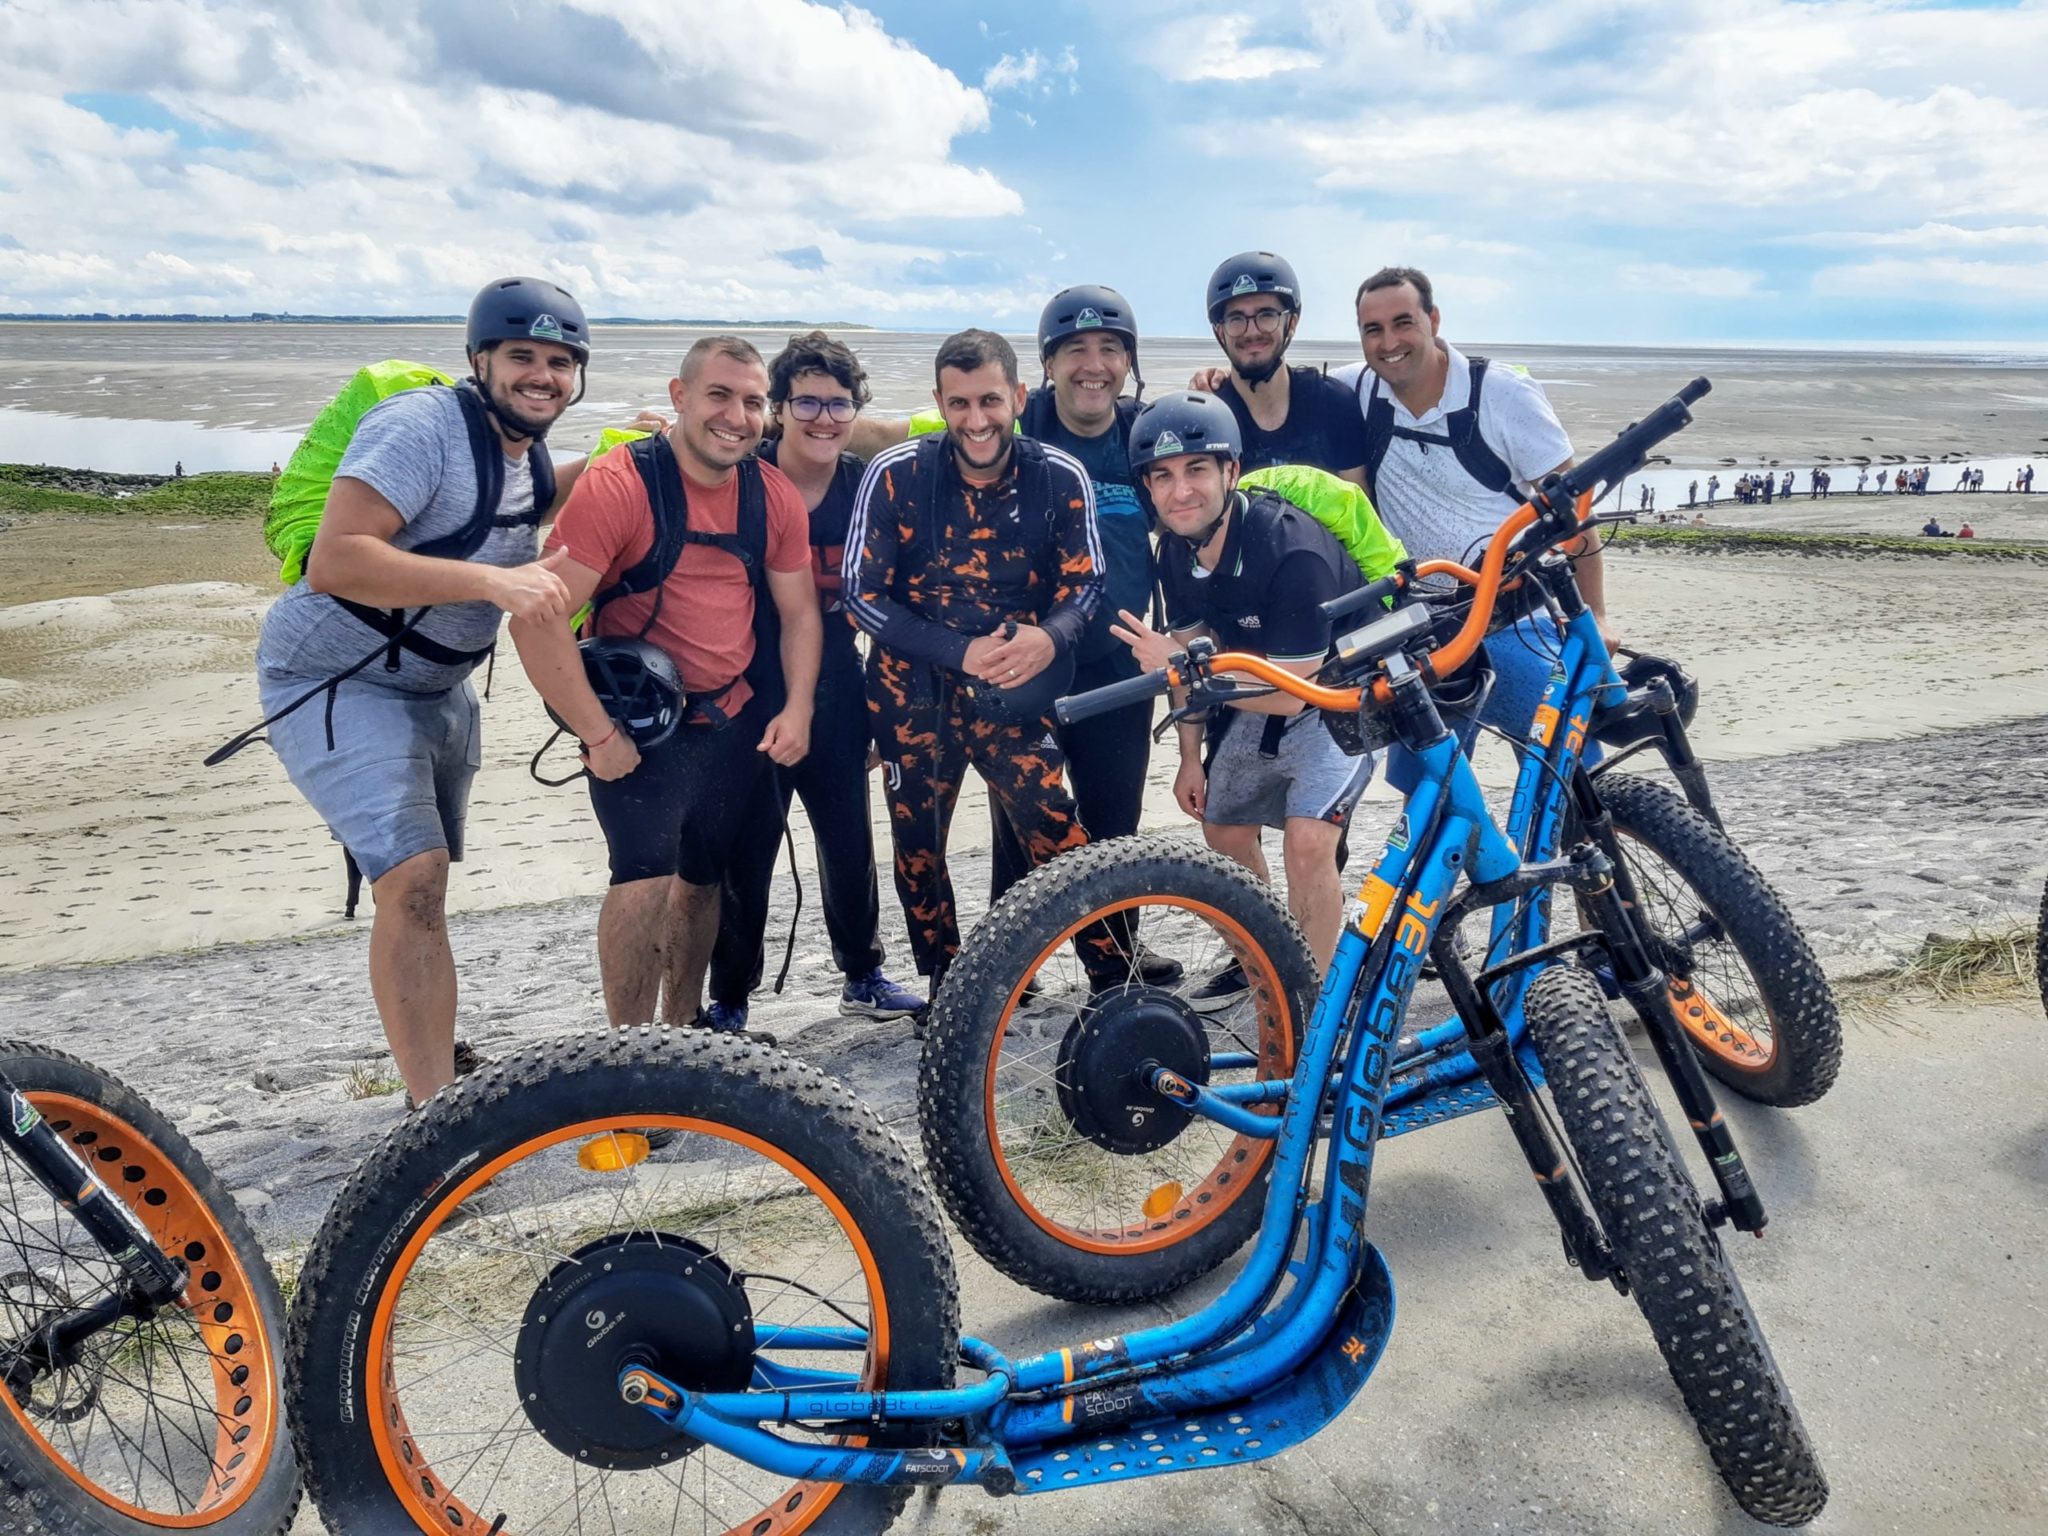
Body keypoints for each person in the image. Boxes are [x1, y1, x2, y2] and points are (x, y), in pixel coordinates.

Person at [254, 275, 594, 1105]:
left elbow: (517, 503)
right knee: (414, 876)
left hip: (439, 689)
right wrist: (491, 585)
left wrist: (631, 459)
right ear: (480, 359)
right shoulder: (421, 427)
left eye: (560, 361)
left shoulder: (522, 446)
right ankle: (429, 1114)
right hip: (337, 677)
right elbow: (337, 558)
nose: (541, 375)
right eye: (522, 356)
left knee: (427, 882)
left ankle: (431, 1056)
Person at [513, 335, 822, 1032]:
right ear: (680, 398)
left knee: (702, 880)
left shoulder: (769, 495)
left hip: (733, 719)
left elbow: (800, 613)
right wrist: (596, 731)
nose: (736, 417)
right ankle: (629, 1056)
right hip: (637, 727)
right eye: (718, 396)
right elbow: (535, 620)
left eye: (752, 402)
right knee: (641, 880)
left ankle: (680, 1038)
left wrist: (798, 707)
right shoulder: (621, 483)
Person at [845, 328, 1113, 989]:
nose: (976, 420)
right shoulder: (896, 474)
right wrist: (959, 651)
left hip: (1011, 686)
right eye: (958, 404)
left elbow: (1087, 584)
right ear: (939, 401)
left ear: (1019, 396)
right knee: (918, 849)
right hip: (912, 692)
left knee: (1056, 830)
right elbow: (861, 595)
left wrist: (1049, 637)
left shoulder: (1058, 476)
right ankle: (949, 985)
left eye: (990, 400)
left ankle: (1113, 977)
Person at [1110, 392, 1387, 980]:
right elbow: (1194, 652)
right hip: (1256, 681)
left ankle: (1312, 993)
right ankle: (1270, 961)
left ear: (1230, 471)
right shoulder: (1176, 554)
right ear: (1147, 488)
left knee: (1308, 843)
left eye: (1196, 470)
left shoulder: (1293, 550)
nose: (1180, 491)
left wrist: (1182, 664)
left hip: (1337, 689)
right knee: (1223, 829)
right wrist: (1190, 758)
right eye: (1162, 477)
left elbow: (1294, 693)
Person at [705, 333, 924, 1030]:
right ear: (777, 408)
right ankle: (730, 997)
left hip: (837, 674)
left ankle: (862, 974)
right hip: (750, 682)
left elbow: (901, 592)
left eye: (838, 404)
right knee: (749, 849)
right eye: (807, 402)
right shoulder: (744, 475)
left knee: (848, 837)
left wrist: (884, 711)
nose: (823, 419)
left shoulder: (866, 483)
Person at [1341, 266, 1590, 742]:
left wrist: (1595, 616)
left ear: (1433, 320)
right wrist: (1219, 380)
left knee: (1566, 767)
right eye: (1373, 330)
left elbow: (1572, 510)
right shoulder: (1358, 389)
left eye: (1403, 322)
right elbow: (1284, 390)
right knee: (1433, 793)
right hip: (1423, 627)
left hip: (1516, 613)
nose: (1389, 342)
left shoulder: (1501, 393)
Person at [1186, 251, 1369, 480]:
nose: (1252, 331)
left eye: (1266, 315)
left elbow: (1358, 503)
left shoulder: (1333, 403)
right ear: (1219, 331)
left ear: (1291, 322)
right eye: (1236, 319)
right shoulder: (1204, 417)